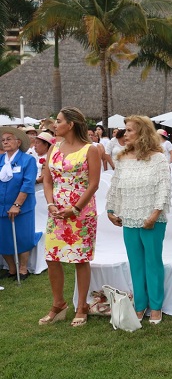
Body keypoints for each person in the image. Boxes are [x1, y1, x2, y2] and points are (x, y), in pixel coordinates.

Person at [106, 116, 172, 325]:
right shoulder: (121, 158)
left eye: (129, 130)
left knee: (153, 262)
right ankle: (140, 304)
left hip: (153, 219)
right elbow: (115, 185)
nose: (124, 134)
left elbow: (164, 187)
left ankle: (156, 306)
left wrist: (155, 214)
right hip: (129, 217)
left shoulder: (158, 158)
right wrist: (110, 209)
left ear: (142, 133)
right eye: (125, 130)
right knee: (135, 264)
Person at [40, 107, 101, 326]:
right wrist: (50, 203)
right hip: (56, 211)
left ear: (71, 124)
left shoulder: (90, 149)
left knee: (80, 259)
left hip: (81, 212)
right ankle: (58, 304)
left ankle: (82, 306)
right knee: (51, 257)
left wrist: (75, 209)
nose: (55, 125)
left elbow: (93, 184)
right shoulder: (54, 147)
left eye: (58, 121)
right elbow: (47, 180)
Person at [0, 127, 38, 281]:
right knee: (2, 238)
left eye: (9, 139)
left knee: (22, 237)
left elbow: (28, 184)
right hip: (1, 206)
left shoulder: (28, 160)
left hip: (22, 207)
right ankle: (11, 268)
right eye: (3, 140)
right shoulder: (0, 160)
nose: (5, 142)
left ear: (18, 142)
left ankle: (23, 268)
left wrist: (16, 205)